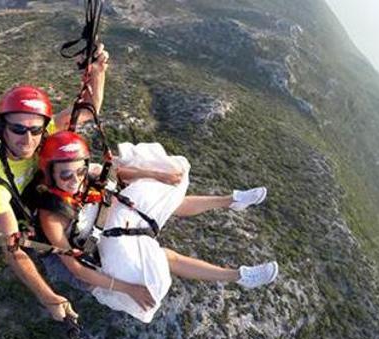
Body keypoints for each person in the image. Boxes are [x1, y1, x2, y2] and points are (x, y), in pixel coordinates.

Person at [26, 131, 279, 322]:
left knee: (162, 202)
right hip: (98, 262)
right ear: (50, 176)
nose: (75, 180)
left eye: (79, 172)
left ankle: (231, 201)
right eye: (66, 176)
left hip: (108, 223)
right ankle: (238, 276)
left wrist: (160, 177)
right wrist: (128, 289)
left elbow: (119, 174)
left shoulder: (85, 175)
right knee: (167, 257)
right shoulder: (53, 215)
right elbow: (76, 269)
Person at [0, 47, 110, 321]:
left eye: (35, 130)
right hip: (8, 203)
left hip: (31, 189)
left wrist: (97, 71)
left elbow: (90, 108)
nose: (28, 139)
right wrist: (47, 296)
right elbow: (12, 249)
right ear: (1, 129)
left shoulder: (45, 131)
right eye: (17, 129)